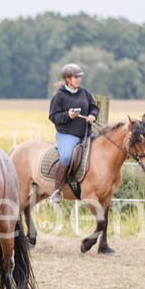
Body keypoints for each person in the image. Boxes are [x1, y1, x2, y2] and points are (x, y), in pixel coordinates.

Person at [48, 63, 99, 204]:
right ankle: (56, 191)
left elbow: (94, 107)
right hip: (67, 135)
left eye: (79, 77)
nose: (79, 80)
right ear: (68, 79)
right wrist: (67, 116)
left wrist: (93, 115)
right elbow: (53, 116)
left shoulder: (85, 93)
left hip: (86, 134)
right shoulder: (59, 96)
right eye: (76, 77)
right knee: (66, 157)